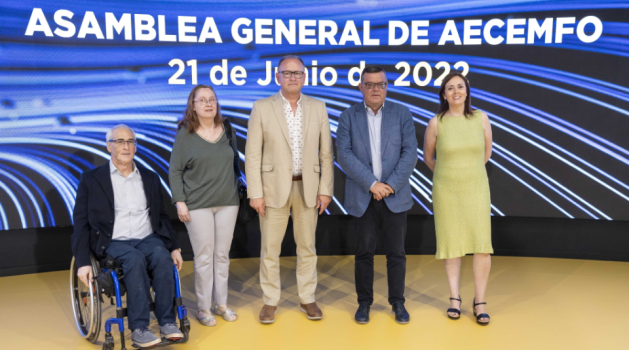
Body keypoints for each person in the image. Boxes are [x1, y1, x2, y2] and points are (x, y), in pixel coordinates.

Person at [71, 124, 184, 348]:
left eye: (131, 141)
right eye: (120, 141)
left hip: (146, 237)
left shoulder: (149, 178)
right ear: (108, 146)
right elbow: (81, 223)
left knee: (162, 258)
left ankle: (167, 322)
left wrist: (173, 247)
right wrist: (83, 262)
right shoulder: (91, 179)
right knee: (133, 259)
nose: (126, 146)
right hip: (113, 240)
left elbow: (161, 216)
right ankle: (140, 327)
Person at [245, 55, 334, 324]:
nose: (293, 77)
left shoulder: (319, 107)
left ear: (304, 77)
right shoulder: (261, 107)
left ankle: (308, 298)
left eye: (298, 73)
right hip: (272, 190)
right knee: (270, 249)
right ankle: (270, 302)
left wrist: (325, 189)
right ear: (277, 77)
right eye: (288, 73)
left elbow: (326, 154)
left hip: (308, 189)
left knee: (307, 248)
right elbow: (252, 155)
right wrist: (255, 193)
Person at [336, 65, 418, 324]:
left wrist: (389, 185)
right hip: (363, 197)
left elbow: (410, 153)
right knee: (364, 254)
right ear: (360, 87)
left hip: (395, 197)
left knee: (397, 253)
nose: (374, 89)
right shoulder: (347, 116)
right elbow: (344, 155)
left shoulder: (402, 114)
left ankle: (398, 303)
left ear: (386, 86)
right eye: (369, 84)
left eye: (379, 84)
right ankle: (364, 303)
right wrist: (372, 184)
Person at [423, 71, 494, 325]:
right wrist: (448, 175)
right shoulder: (436, 123)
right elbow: (429, 158)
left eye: (460, 87)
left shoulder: (481, 118)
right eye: (450, 88)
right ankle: (454, 298)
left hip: (476, 188)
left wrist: (467, 172)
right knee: (452, 245)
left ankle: (480, 301)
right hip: (446, 191)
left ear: (467, 91)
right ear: (443, 94)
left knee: (481, 246)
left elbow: (486, 154)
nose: (456, 91)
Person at [169, 85, 240, 327]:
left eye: (212, 99)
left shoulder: (228, 129)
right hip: (197, 205)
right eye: (202, 100)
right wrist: (180, 202)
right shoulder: (185, 134)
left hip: (228, 202)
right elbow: (175, 170)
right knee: (203, 257)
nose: (208, 104)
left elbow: (235, 163)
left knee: (222, 256)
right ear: (193, 105)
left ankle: (221, 304)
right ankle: (203, 308)